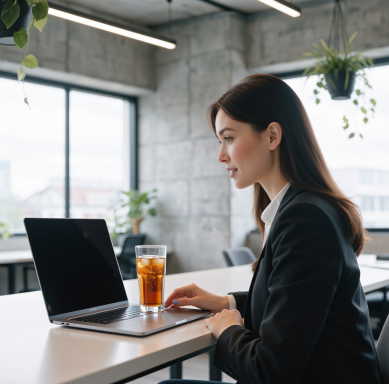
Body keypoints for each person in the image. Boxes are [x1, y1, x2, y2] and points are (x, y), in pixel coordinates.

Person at [159, 74, 383, 384]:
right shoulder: (300, 208)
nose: (221, 155)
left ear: (272, 136)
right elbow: (295, 305)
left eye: (229, 138)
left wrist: (228, 329)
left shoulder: (305, 218)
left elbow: (270, 371)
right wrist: (228, 304)